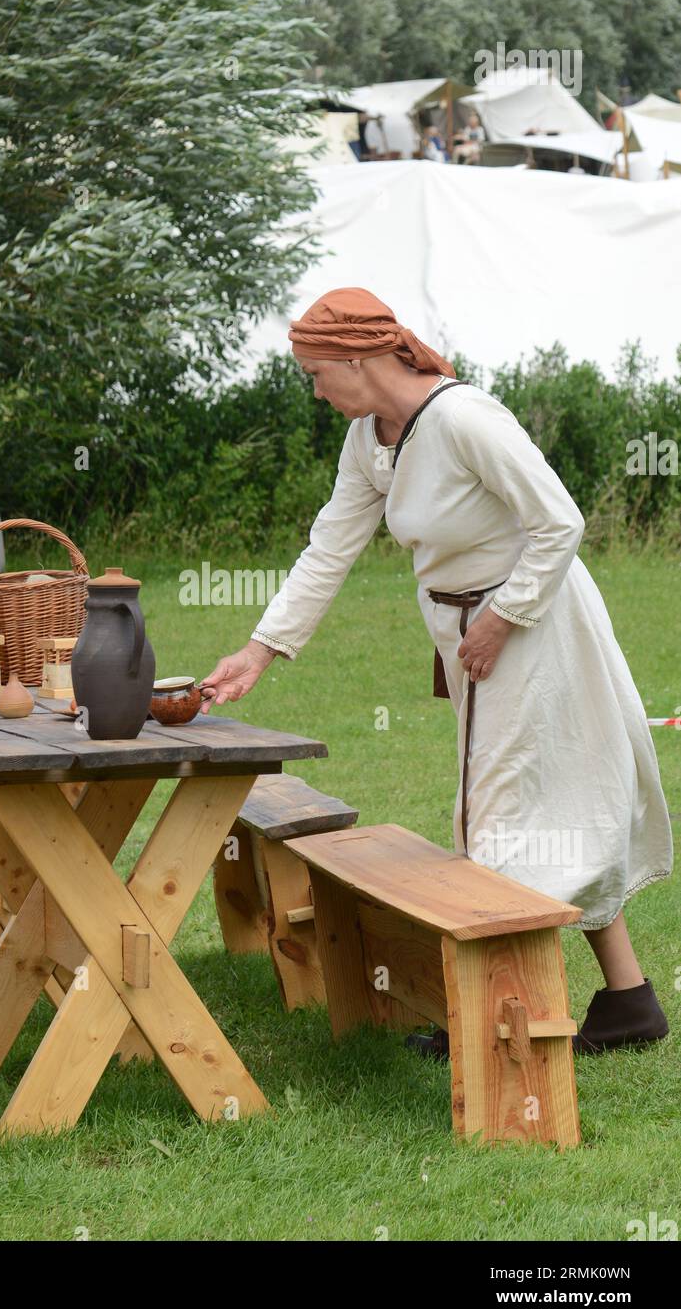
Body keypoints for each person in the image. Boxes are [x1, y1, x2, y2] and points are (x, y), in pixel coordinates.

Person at [201, 287, 672, 1059]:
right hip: (472, 635)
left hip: (535, 626)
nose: (315, 391)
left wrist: (500, 618)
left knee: (504, 820)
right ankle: (627, 1001)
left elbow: (560, 522)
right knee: (524, 808)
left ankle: (489, 1019)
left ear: (358, 358)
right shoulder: (369, 439)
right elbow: (329, 549)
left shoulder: (463, 419)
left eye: (318, 373)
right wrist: (260, 649)